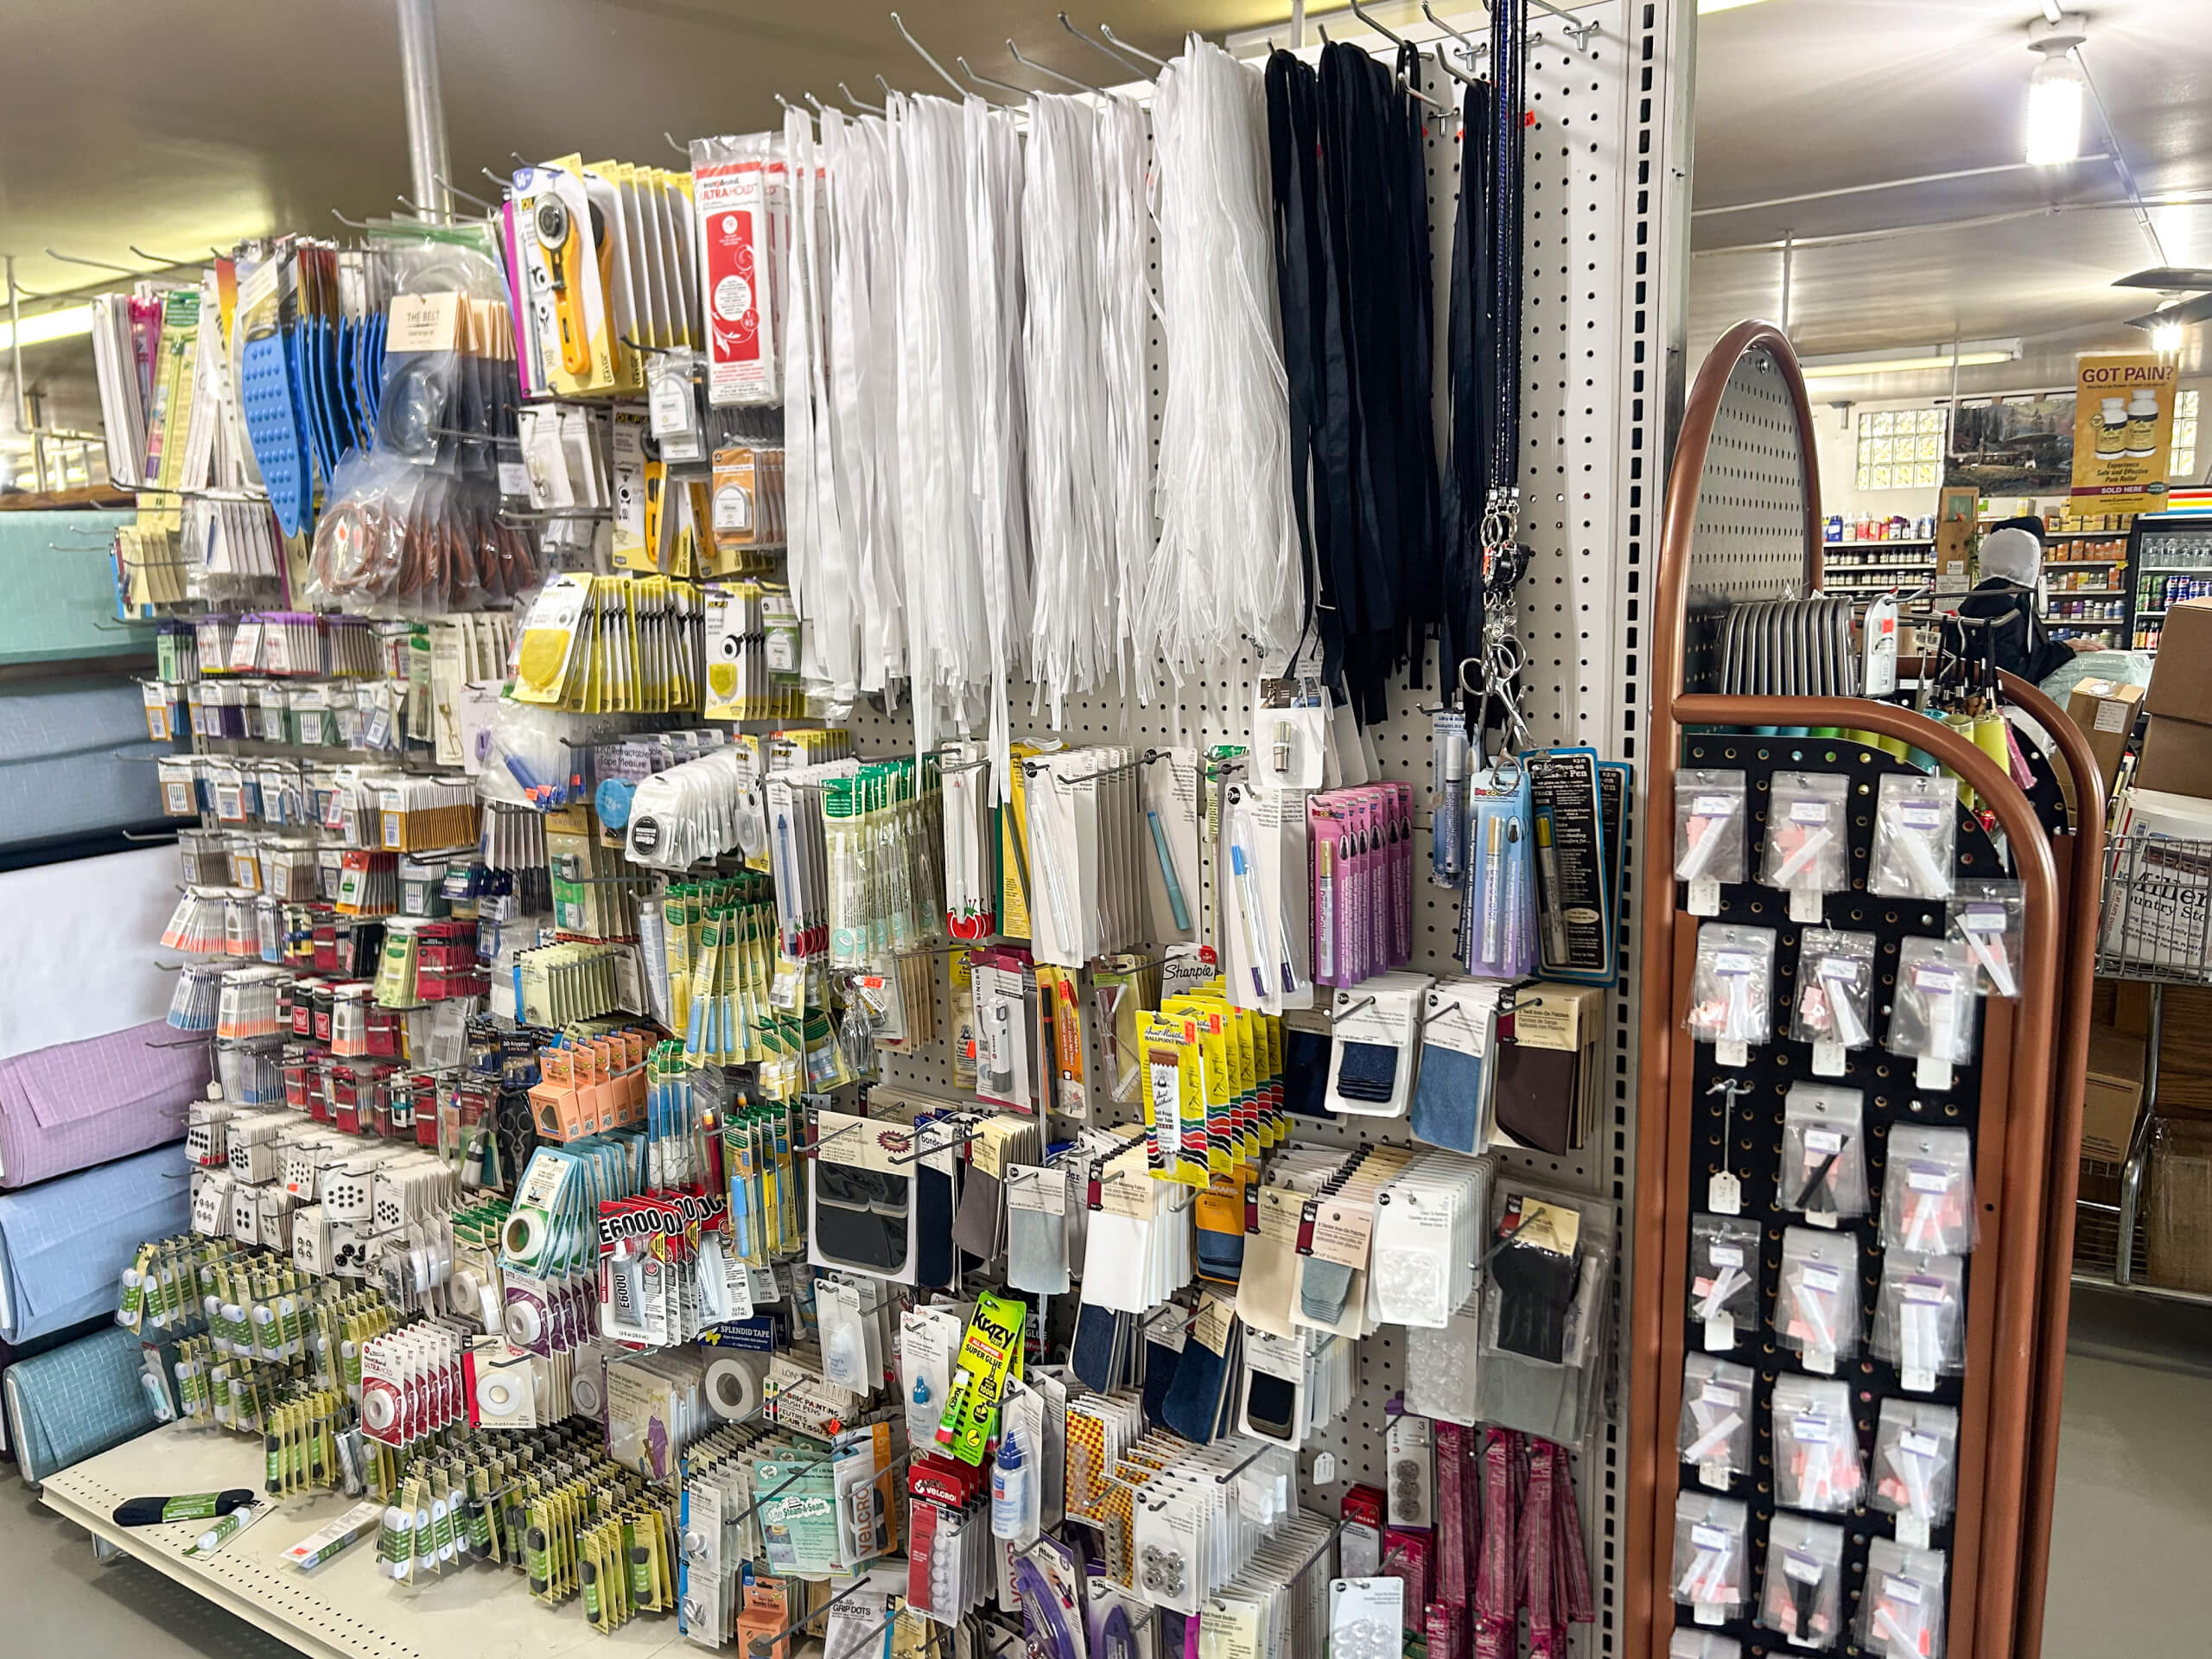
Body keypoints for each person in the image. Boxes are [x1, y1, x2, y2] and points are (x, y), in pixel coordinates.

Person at [1942, 521, 2093, 684]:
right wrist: (2061, 650)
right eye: (2039, 559)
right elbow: (2011, 675)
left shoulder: (1985, 597)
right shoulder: (2003, 610)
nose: (2042, 567)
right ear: (2022, 561)